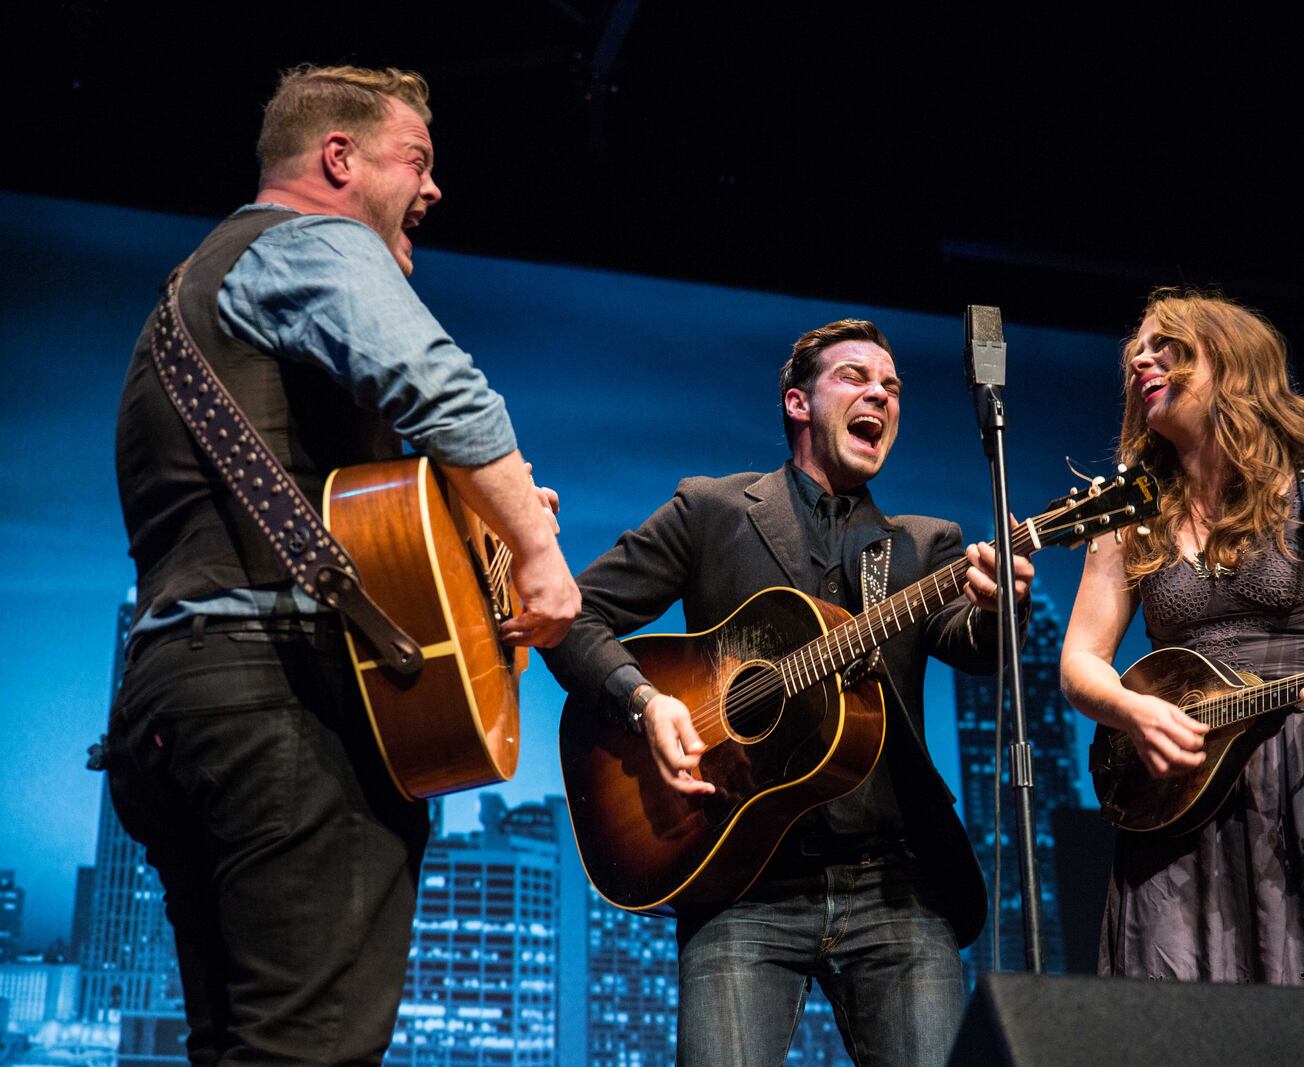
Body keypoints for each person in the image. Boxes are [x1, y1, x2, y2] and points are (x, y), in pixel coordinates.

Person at [108, 64, 581, 1064]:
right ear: (339, 159)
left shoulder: (186, 299)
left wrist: (477, 529)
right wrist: (537, 553)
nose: (434, 188)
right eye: (418, 161)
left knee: (238, 1044)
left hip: (168, 703)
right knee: (308, 1050)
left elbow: (340, 499)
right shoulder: (309, 243)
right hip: (285, 702)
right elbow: (443, 390)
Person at [543, 319, 1035, 1065]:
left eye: (893, 386)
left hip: (896, 887)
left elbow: (975, 647)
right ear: (798, 403)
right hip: (742, 879)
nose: (881, 393)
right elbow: (573, 614)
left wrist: (1006, 606)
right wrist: (647, 702)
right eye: (855, 377)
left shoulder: (922, 544)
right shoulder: (712, 510)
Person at [1058, 288, 1304, 992]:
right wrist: (1136, 712)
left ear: (1231, 363)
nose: (1142, 360)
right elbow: (1080, 662)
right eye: (1136, 353)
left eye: (1168, 346)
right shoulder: (1129, 512)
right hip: (1177, 796)